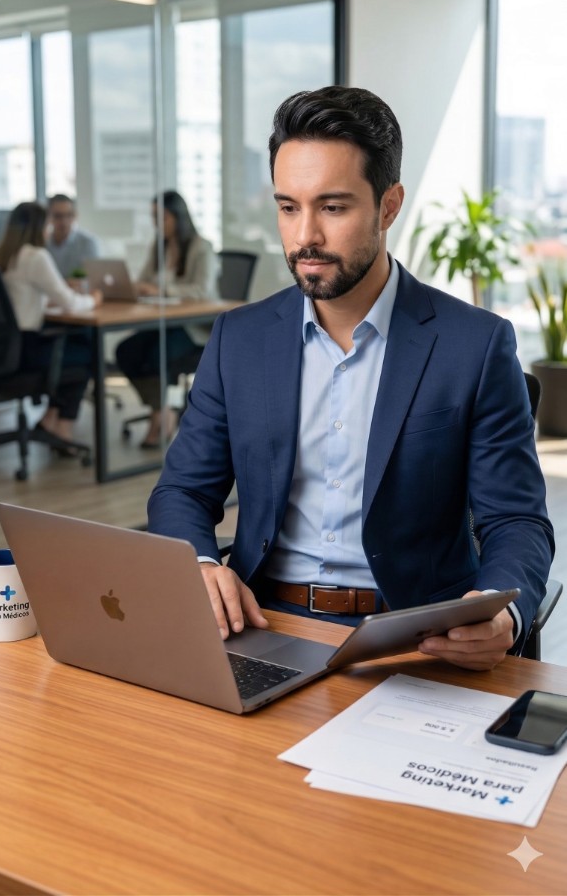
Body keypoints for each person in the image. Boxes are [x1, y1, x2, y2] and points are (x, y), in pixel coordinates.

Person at [147, 86, 554, 671]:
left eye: (333, 207)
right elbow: (183, 491)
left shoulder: (475, 345)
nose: (305, 235)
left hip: (412, 638)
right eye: (289, 207)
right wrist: (203, 566)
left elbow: (516, 519)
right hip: (263, 623)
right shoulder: (239, 339)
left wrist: (501, 614)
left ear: (389, 207)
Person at [0, 201, 102, 450]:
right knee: (88, 351)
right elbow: (71, 302)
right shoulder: (35, 255)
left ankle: (50, 417)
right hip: (27, 352)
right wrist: (94, 299)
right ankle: (63, 425)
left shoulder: (2, 256)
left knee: (74, 346)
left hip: (2, 351)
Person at [115, 190, 219, 450]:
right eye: (153, 217)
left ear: (177, 216)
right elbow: (145, 279)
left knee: (155, 354)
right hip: (163, 323)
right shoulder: (158, 245)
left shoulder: (200, 247)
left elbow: (202, 291)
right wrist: (138, 287)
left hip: (194, 329)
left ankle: (161, 417)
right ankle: (161, 409)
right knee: (126, 351)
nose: (156, 223)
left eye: (160, 217)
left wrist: (162, 291)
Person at [45, 194, 100, 280]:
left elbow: (94, 279)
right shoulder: (43, 244)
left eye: (69, 215)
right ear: (48, 217)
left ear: (75, 215)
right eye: (58, 216)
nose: (64, 221)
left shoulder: (88, 243)